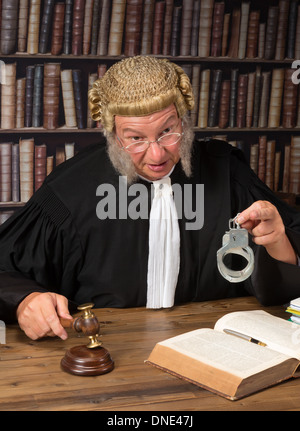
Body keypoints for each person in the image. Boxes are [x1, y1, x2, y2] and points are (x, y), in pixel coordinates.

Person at [0, 56, 299, 342]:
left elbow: (285, 281)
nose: (157, 154)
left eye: (167, 131)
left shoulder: (227, 173)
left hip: (215, 349)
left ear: (183, 119)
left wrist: (279, 243)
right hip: (110, 354)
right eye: (135, 138)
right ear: (112, 134)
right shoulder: (70, 188)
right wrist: (25, 301)